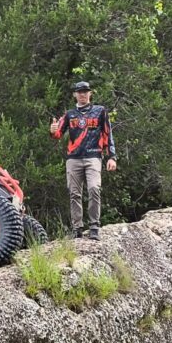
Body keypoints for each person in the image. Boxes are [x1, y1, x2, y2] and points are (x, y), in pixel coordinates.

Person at [49, 81, 117, 240]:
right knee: (74, 193)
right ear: (75, 94)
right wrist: (52, 130)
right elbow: (57, 134)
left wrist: (112, 157)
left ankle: (94, 226)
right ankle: (77, 228)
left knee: (94, 188)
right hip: (74, 158)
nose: (83, 94)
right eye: (80, 92)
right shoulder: (69, 114)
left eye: (85, 91)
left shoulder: (100, 111)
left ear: (90, 93)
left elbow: (108, 134)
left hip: (93, 156)